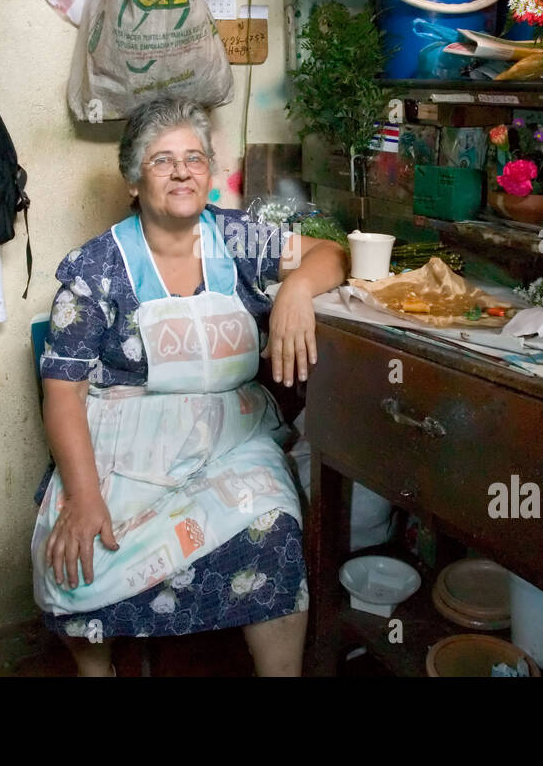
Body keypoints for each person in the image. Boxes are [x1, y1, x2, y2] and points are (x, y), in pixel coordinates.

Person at [31, 97, 348, 676]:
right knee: (82, 554)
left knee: (272, 524)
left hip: (231, 436)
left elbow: (332, 254)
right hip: (125, 447)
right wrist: (82, 494)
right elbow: (64, 390)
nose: (182, 171)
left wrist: (297, 290)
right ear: (132, 179)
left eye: (195, 158)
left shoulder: (238, 239)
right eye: (162, 160)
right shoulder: (95, 268)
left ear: (209, 172)